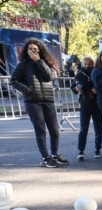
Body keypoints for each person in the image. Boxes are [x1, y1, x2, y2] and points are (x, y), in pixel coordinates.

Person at [11, 38, 64, 168]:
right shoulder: (23, 64)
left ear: (40, 50)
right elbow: (14, 80)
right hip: (33, 101)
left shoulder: (46, 62)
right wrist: (27, 90)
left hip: (48, 99)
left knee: (55, 130)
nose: (33, 51)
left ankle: (54, 155)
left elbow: (49, 77)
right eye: (31, 49)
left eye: (36, 49)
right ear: (26, 51)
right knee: (41, 131)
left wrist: (39, 61)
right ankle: (45, 158)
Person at [71, 56, 102, 160]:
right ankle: (81, 150)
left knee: (98, 128)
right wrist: (76, 88)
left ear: (93, 64)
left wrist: (97, 90)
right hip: (85, 104)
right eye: (85, 64)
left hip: (97, 104)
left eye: (89, 64)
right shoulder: (79, 74)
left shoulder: (97, 73)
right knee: (83, 128)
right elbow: (73, 87)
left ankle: (98, 149)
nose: (87, 66)